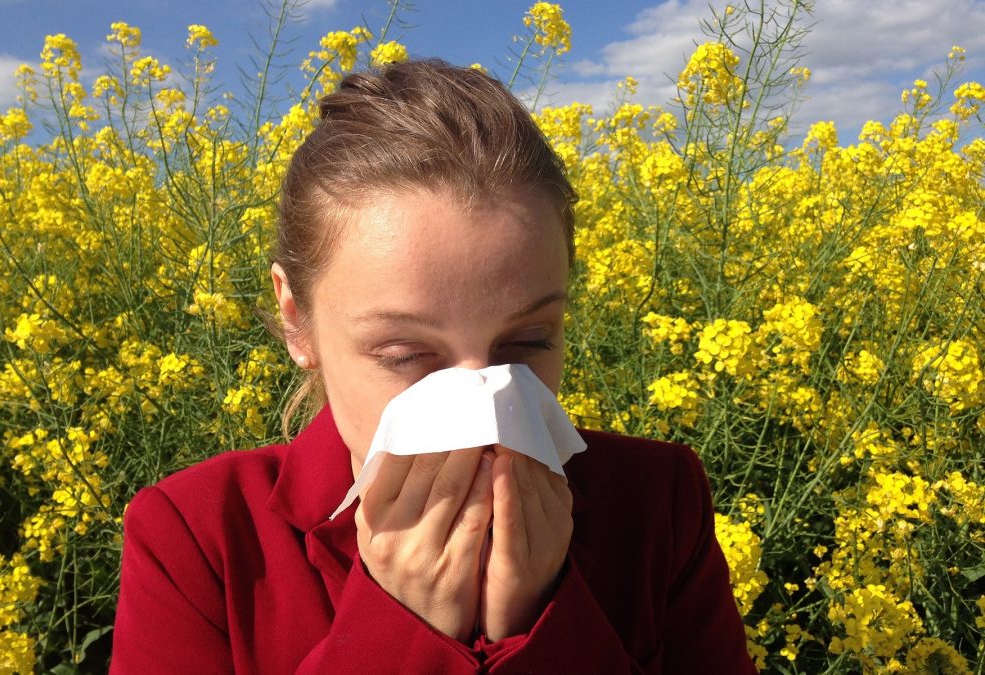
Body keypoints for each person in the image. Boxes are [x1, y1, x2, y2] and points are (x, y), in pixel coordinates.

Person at [110, 58, 755, 673]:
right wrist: (399, 629)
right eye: (405, 354)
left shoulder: (654, 504)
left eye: (527, 342)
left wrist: (540, 621)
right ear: (296, 321)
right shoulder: (201, 536)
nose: (482, 410)